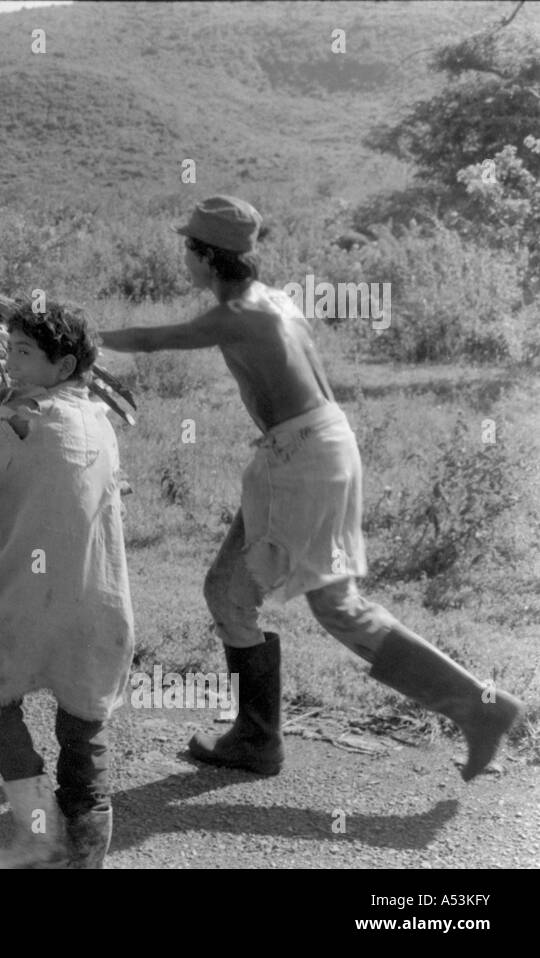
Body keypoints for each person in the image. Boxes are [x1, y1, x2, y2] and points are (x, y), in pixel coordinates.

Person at [98, 195, 524, 781]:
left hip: (299, 458)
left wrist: (81, 338)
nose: (184, 259)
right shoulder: (276, 302)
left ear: (204, 256)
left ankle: (479, 708)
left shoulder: (236, 314)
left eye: (187, 248)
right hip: (321, 445)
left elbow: (150, 341)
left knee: (335, 606)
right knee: (229, 592)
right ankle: (257, 738)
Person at [0, 302, 135, 869]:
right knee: (83, 723)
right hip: (100, 599)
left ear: (64, 363)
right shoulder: (98, 417)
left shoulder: (19, 421)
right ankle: (86, 849)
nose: (9, 360)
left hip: (29, 597)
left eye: (23, 352)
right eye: (10, 347)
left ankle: (37, 829)